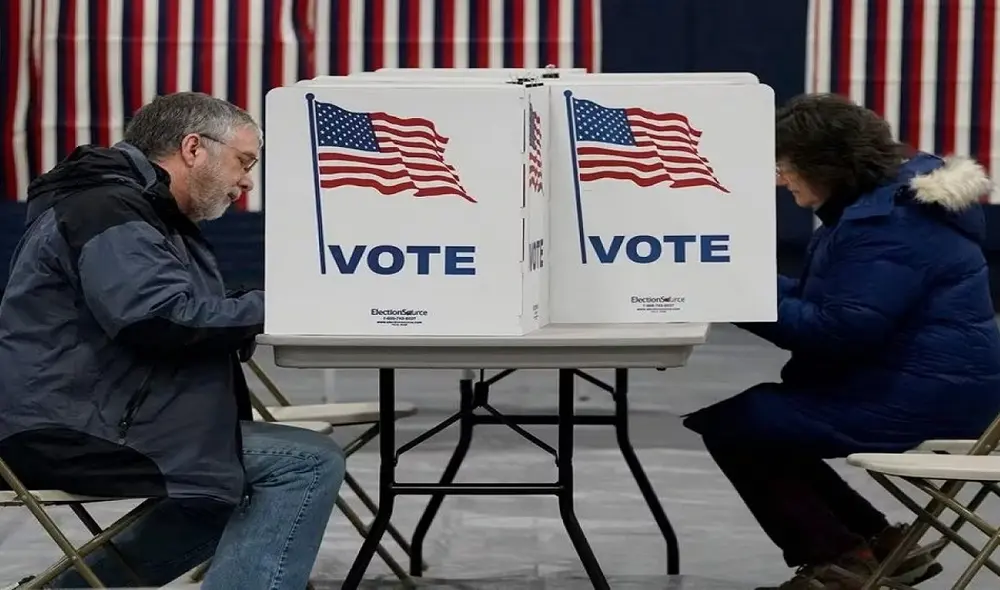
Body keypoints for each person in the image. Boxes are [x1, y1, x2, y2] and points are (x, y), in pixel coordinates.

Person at [0, 92, 345, 589]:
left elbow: (164, 312)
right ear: (193, 149)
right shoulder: (109, 208)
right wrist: (286, 304)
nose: (247, 182)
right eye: (243, 162)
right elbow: (158, 319)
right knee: (306, 463)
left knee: (221, 490)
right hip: (67, 428)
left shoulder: (126, 205)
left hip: (87, 413)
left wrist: (248, 309)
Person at [683, 93, 1000, 590]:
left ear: (826, 165)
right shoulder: (879, 208)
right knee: (759, 421)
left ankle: (841, 560)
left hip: (928, 400)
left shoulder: (890, 226)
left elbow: (838, 332)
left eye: (783, 166)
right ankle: (879, 545)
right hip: (932, 387)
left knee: (744, 426)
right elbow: (834, 302)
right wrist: (735, 279)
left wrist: (734, 295)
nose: (779, 179)